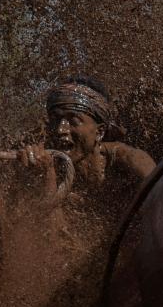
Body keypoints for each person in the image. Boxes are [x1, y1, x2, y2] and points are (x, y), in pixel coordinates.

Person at [18, 76, 155, 212]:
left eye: (74, 121)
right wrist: (47, 178)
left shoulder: (130, 160)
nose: (60, 130)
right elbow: (46, 231)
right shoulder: (46, 165)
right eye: (55, 120)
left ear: (99, 132)